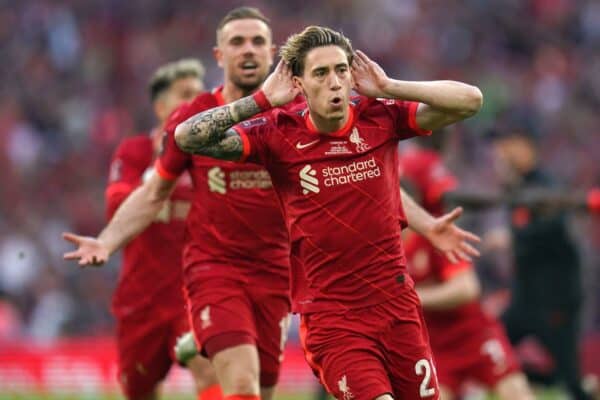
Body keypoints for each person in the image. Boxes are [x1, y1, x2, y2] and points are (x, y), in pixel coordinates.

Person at [63, 15, 479, 400]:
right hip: (240, 276)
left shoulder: (373, 118)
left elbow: (459, 109)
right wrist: (108, 240)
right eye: (237, 42)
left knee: (259, 386)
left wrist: (389, 89)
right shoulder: (270, 128)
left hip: (303, 279)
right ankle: (211, 335)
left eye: (258, 41)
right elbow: (175, 155)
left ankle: (206, 342)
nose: (334, 82)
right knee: (239, 383)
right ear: (220, 56)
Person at [75, 59, 219, 400]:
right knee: (139, 389)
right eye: (185, 95)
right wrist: (162, 167)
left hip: (194, 292)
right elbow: (115, 208)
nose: (194, 104)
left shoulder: (212, 155)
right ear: (160, 107)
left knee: (207, 366)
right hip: (141, 298)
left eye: (199, 96)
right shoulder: (135, 151)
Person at [399, 146, 534, 400]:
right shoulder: (383, 249)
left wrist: (413, 297)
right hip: (435, 347)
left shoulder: (433, 240)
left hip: (472, 335)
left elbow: (467, 289)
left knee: (516, 393)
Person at [488, 125, 595, 400]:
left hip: (554, 301)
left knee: (569, 380)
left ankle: (574, 387)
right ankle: (547, 382)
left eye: (506, 144)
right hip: (525, 301)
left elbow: (555, 226)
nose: (499, 153)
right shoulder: (517, 188)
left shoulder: (546, 187)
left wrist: (513, 237)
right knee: (489, 351)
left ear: (525, 147)